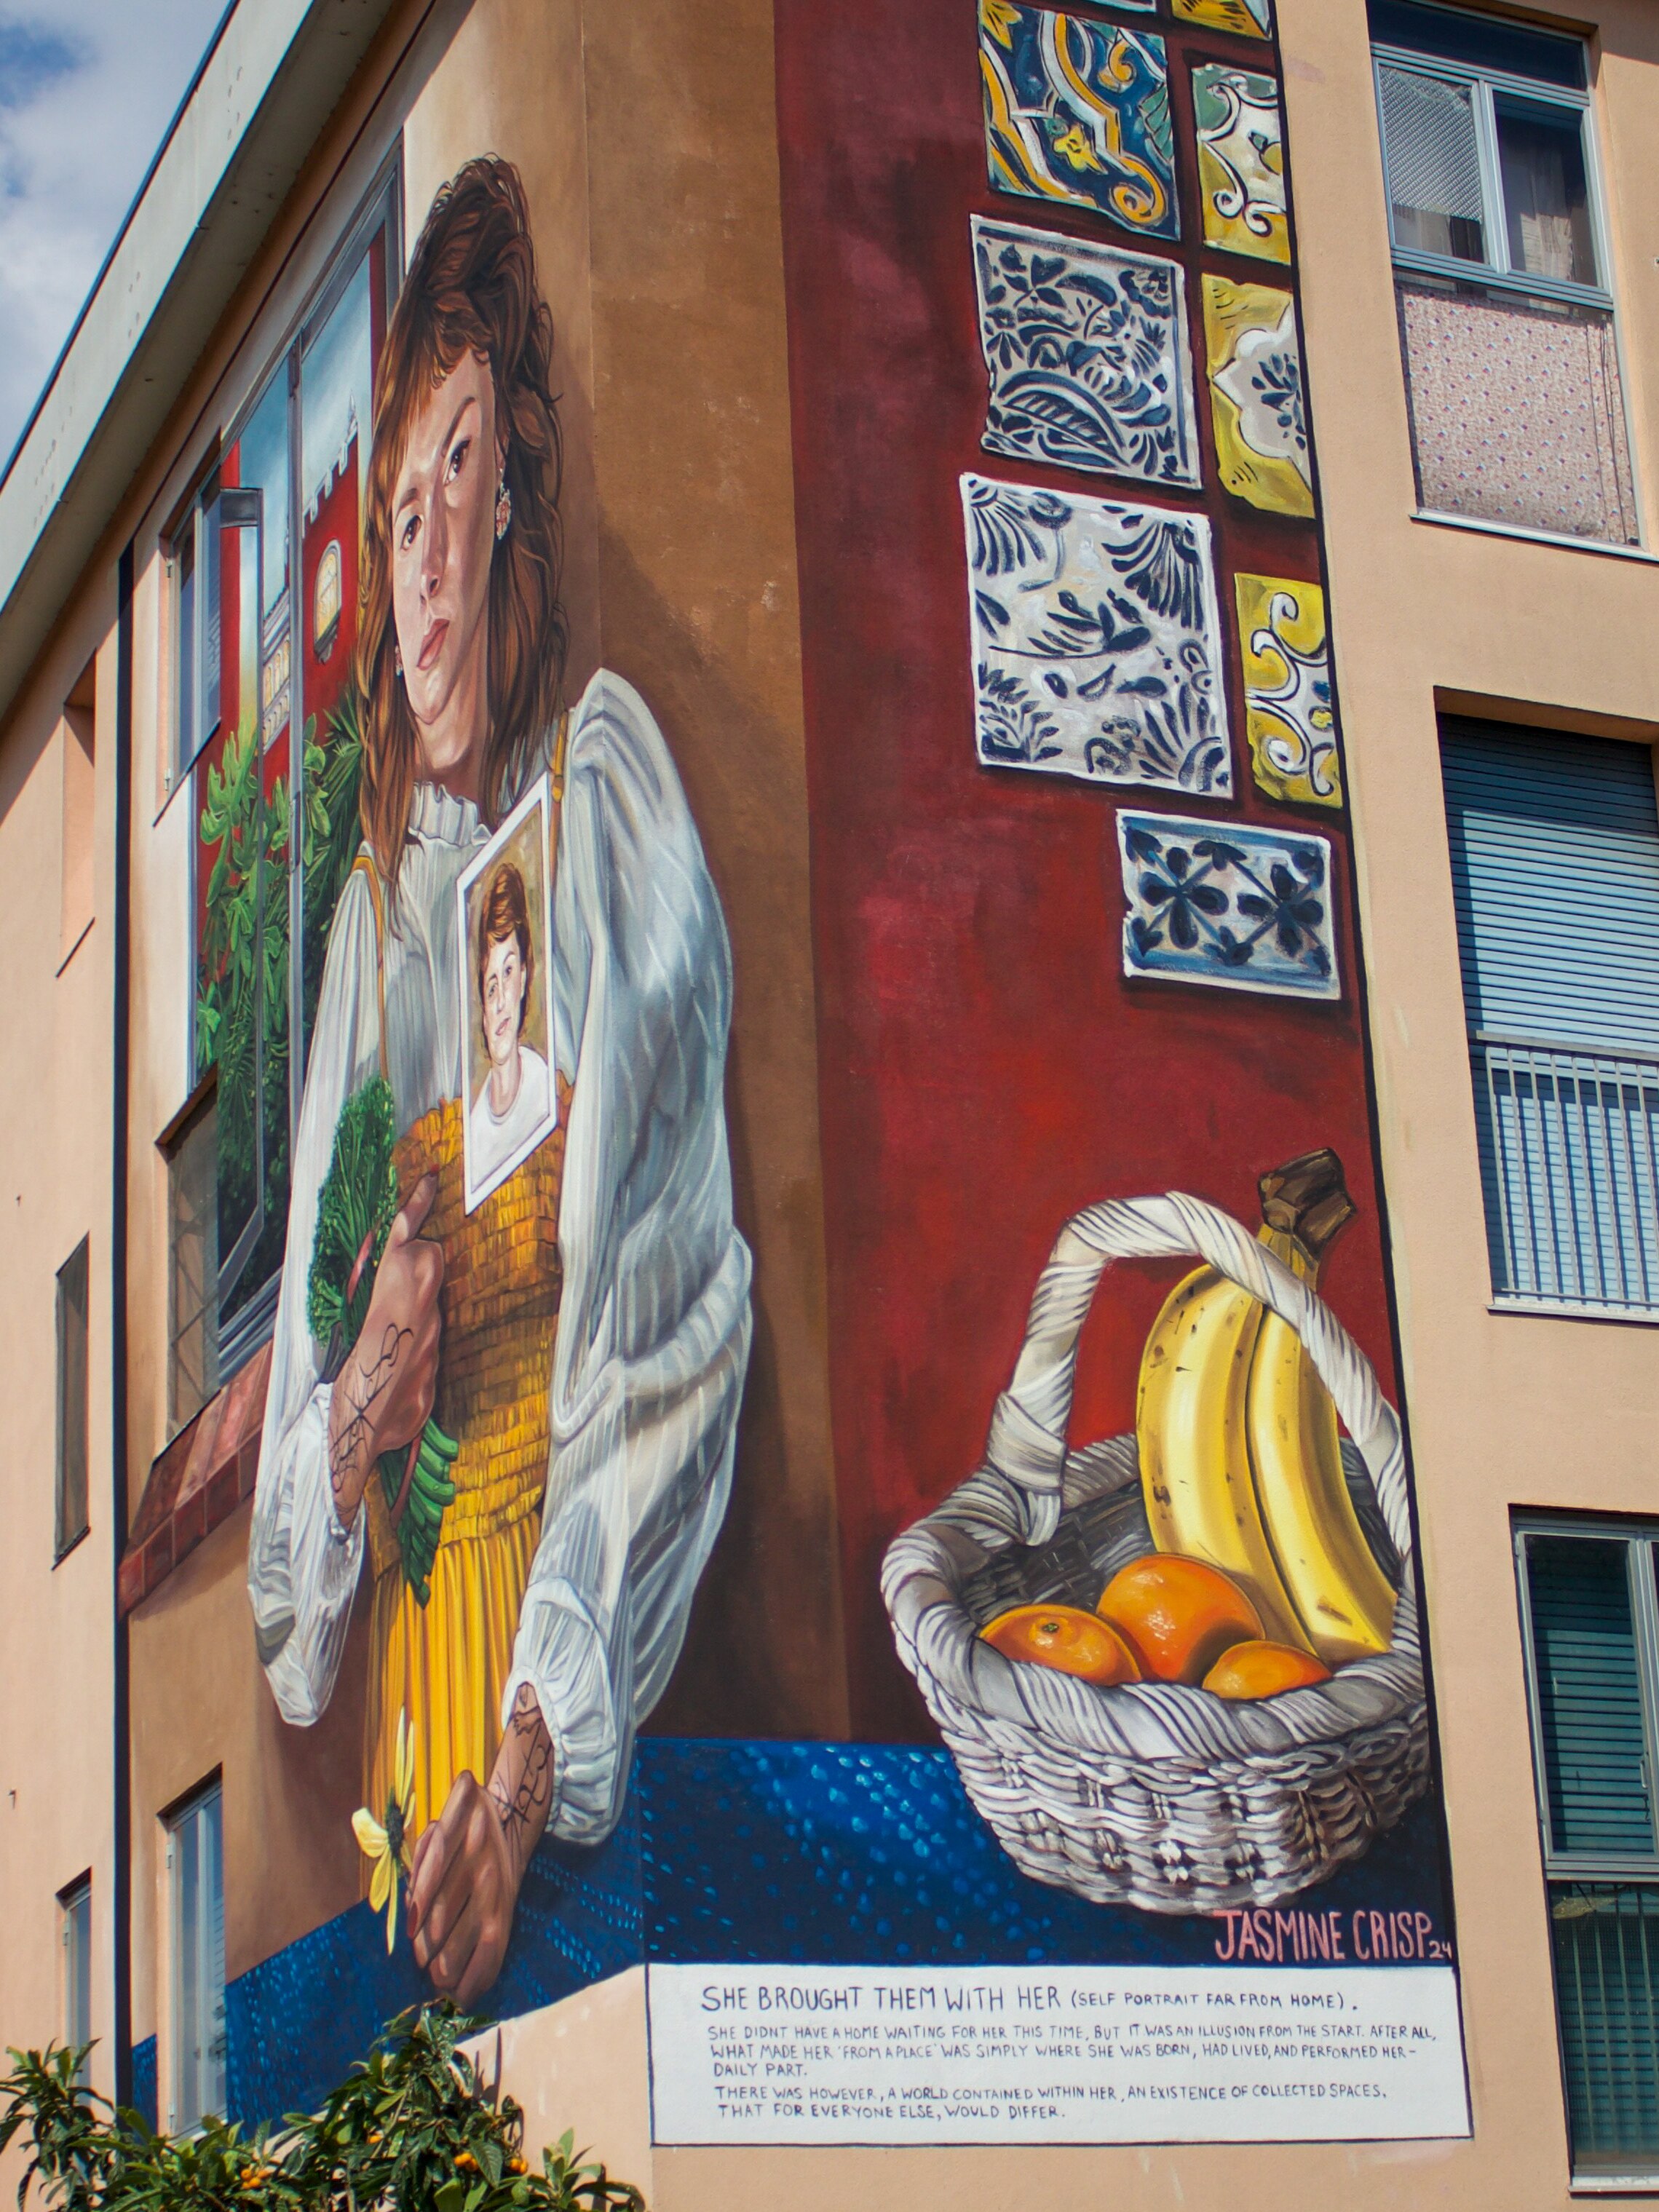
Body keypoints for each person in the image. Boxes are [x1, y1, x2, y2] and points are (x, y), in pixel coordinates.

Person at [247, 155, 751, 2006]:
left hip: (554, 1728)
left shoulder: (601, 810)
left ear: (519, 498)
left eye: (464, 469)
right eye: (396, 508)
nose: (430, 546)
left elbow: (674, 1325)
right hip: (419, 1707)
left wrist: (533, 1772)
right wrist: (369, 1377)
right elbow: (297, 1615)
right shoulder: (384, 927)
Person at [467, 857, 553, 1197]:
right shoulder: (474, 1131)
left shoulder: (543, 1089)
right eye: (491, 986)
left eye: (508, 972)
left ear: (524, 978)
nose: (501, 1000)